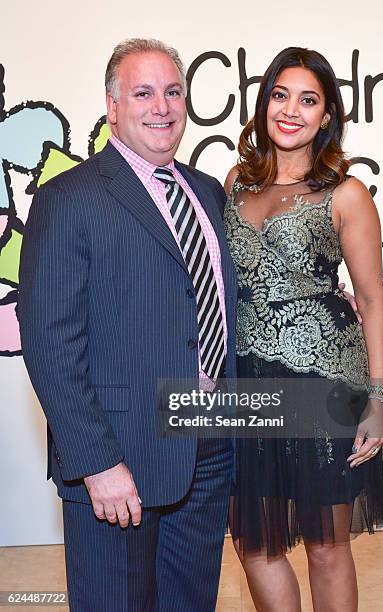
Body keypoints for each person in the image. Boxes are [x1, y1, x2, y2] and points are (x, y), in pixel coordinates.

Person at [18, 38, 238, 612]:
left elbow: (216, 302)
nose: (161, 106)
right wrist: (96, 463)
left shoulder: (208, 193)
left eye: (172, 92)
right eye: (143, 93)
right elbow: (49, 341)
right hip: (121, 460)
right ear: (112, 106)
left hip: (208, 452)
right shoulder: (69, 199)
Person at [224, 47, 383, 612]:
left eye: (308, 99)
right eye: (280, 94)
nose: (291, 110)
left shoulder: (346, 193)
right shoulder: (234, 185)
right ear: (263, 102)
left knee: (325, 544)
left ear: (327, 116)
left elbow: (371, 300)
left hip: (326, 383)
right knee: (255, 543)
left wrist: (377, 404)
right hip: (247, 381)